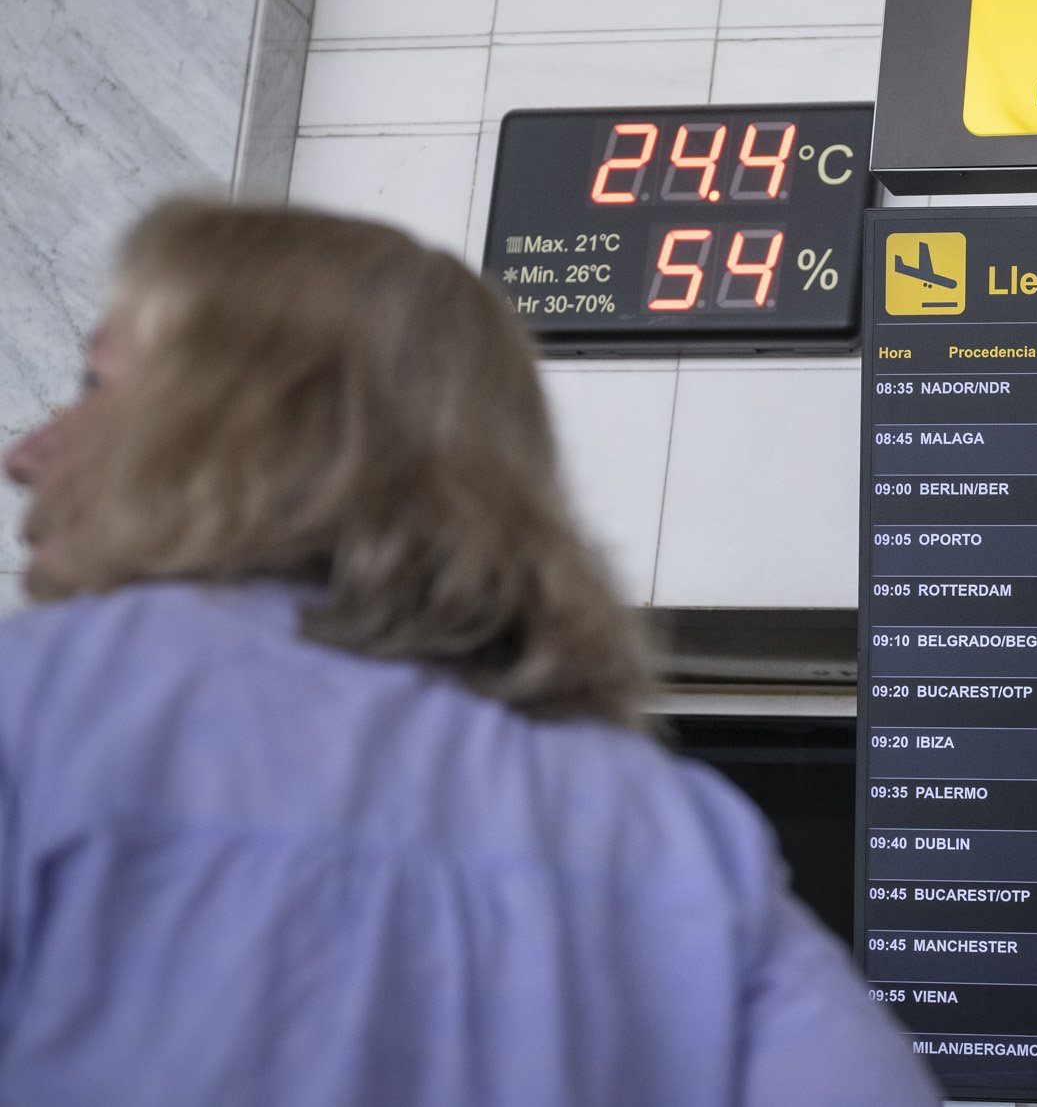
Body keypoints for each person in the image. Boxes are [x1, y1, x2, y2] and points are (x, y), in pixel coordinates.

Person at [0, 199, 938, 1106]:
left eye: (95, 388)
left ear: (240, 431)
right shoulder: (681, 837)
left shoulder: (40, 708)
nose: (27, 452)